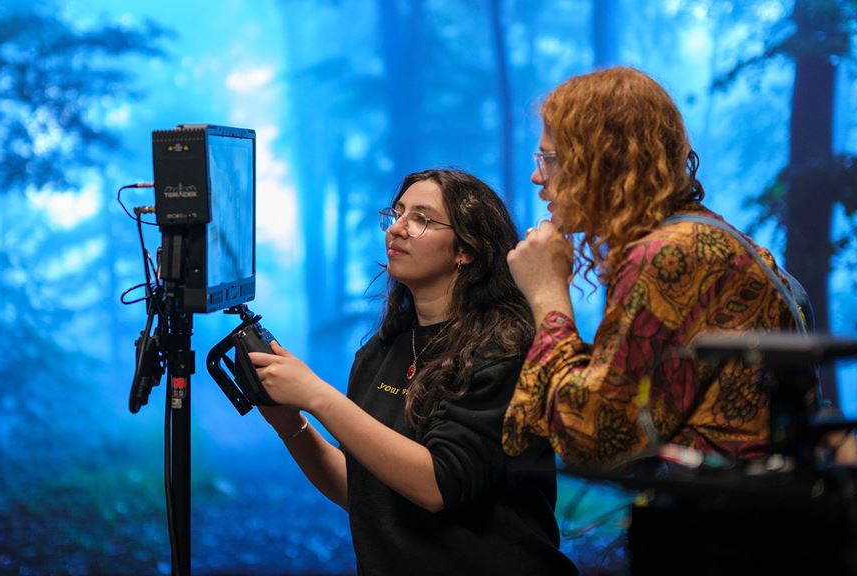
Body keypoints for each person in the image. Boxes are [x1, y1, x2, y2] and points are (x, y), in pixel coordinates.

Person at [249, 169, 578, 576]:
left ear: (467, 250)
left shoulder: (506, 350)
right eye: (398, 213)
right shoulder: (380, 351)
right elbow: (363, 491)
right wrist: (290, 423)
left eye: (421, 219)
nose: (398, 229)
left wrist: (317, 396)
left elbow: (438, 486)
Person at [501, 66, 814, 466]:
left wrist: (548, 296)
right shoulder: (694, 239)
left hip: (732, 520)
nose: (535, 177)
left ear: (605, 161)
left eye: (549, 158)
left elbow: (595, 437)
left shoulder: (669, 254)